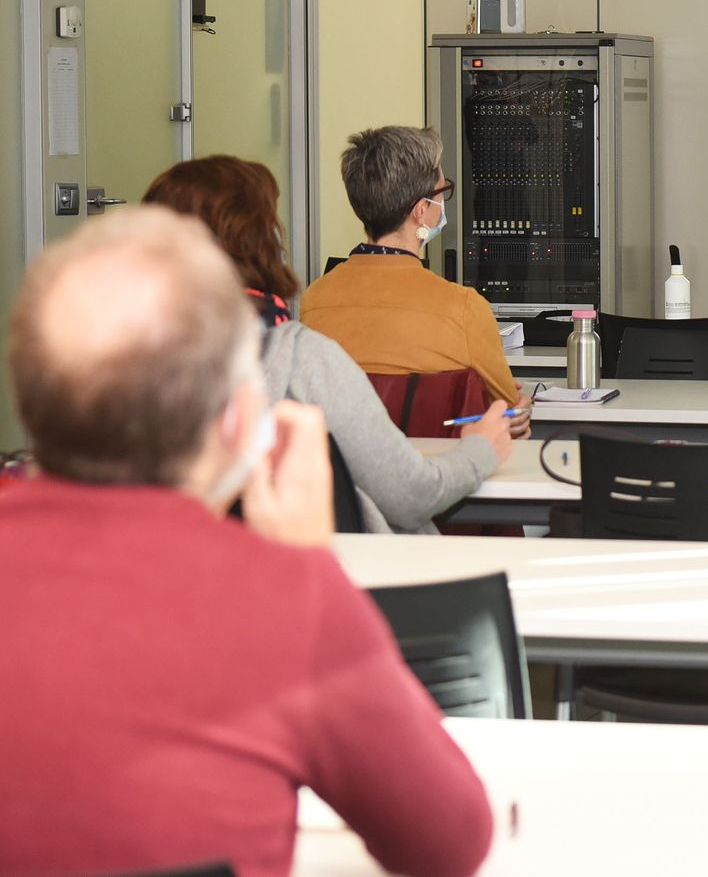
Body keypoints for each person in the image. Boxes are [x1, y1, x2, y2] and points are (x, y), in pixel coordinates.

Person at [0, 207, 492, 877]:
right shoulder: (286, 596)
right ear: (238, 417)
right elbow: (449, 840)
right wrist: (312, 569)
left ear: (30, 403)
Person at [143, 154, 512, 533]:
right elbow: (411, 496)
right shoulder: (302, 357)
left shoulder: (121, 368)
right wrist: (479, 451)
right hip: (321, 574)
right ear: (260, 240)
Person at [301, 125, 532, 435]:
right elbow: (507, 414)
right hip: (444, 475)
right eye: (441, 192)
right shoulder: (464, 309)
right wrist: (519, 409)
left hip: (343, 480)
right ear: (422, 211)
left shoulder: (315, 301)